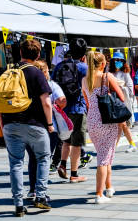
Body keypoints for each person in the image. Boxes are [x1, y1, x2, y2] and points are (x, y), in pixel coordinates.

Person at [0, 40, 53, 216]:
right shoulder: (36, 73)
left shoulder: (7, 73)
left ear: (20, 52)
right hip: (34, 124)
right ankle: (41, 196)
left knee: (15, 163)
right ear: (38, 55)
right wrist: (50, 124)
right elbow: (46, 102)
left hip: (10, 125)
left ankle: (18, 204)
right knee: (44, 158)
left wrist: (3, 125)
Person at [83, 51, 125, 204]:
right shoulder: (107, 77)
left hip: (92, 119)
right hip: (106, 119)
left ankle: (109, 187)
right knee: (103, 158)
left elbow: (88, 101)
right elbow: (122, 97)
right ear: (102, 64)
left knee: (106, 155)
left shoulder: (84, 79)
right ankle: (99, 194)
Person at [26, 60, 65, 200]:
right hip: (48, 127)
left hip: (27, 125)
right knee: (44, 158)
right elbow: (62, 100)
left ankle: (32, 189)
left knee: (32, 159)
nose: (48, 73)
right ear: (44, 72)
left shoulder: (26, 83)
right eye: (47, 71)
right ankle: (40, 191)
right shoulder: (51, 85)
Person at [53, 38, 89, 183]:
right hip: (77, 108)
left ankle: (62, 164)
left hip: (62, 109)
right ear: (83, 54)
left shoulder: (59, 66)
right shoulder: (83, 67)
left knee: (66, 139)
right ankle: (74, 174)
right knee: (77, 142)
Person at [109, 52, 137, 153]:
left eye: (120, 60)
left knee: (122, 124)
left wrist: (120, 87)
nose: (118, 62)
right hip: (113, 102)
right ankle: (130, 144)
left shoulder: (125, 73)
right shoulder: (110, 73)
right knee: (121, 125)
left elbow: (130, 89)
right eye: (116, 60)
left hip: (122, 102)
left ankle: (115, 146)